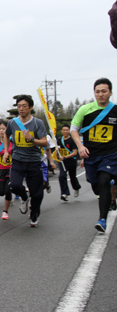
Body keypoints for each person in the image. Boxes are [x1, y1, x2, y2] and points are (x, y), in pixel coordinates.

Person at [70, 78, 117, 233]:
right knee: (95, 185)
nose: (100, 94)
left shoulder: (116, 111)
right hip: (91, 155)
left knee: (103, 180)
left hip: (110, 155)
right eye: (97, 91)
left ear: (110, 92)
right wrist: (80, 146)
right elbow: (74, 129)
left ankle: (102, 219)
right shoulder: (85, 109)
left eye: (104, 91)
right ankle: (107, 188)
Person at [3, 95, 48, 228]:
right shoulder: (13, 123)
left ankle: (34, 216)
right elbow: (6, 135)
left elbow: (45, 142)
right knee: (14, 185)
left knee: (37, 193)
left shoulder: (37, 123)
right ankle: (24, 197)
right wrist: (6, 151)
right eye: (19, 106)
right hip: (18, 160)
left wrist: (32, 139)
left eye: (24, 106)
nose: (21, 109)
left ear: (31, 108)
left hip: (34, 161)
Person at [57, 124, 81, 201]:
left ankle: (76, 187)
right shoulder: (59, 140)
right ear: (61, 131)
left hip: (71, 161)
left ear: (69, 131)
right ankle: (64, 193)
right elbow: (57, 149)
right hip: (62, 162)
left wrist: (65, 157)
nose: (65, 131)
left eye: (67, 130)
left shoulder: (72, 140)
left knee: (72, 177)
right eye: (64, 130)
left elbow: (74, 152)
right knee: (62, 176)